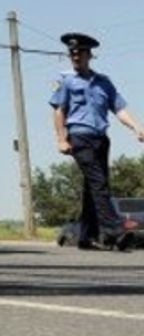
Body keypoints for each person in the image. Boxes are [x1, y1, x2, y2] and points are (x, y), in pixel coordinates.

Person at [50, 32, 144, 251]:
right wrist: (61, 139)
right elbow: (59, 110)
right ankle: (116, 231)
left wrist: (137, 127)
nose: (75, 56)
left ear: (89, 55)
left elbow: (119, 109)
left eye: (80, 53)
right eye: (72, 53)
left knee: (93, 187)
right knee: (98, 183)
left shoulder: (104, 82)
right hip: (79, 137)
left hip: (101, 139)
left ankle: (85, 236)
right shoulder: (66, 81)